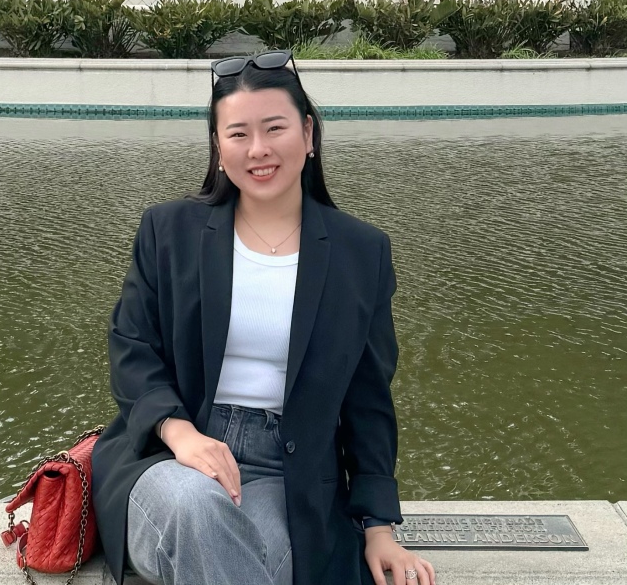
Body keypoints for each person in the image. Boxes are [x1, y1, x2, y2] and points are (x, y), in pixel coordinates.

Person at [91, 50, 436, 585]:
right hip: (170, 454)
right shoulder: (169, 231)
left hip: (288, 473)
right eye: (238, 134)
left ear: (309, 133)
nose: (258, 149)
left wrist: (378, 526)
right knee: (197, 511)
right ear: (217, 146)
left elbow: (368, 397)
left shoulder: (360, 252)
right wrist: (181, 433)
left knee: (263, 558)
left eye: (275, 128)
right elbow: (132, 347)